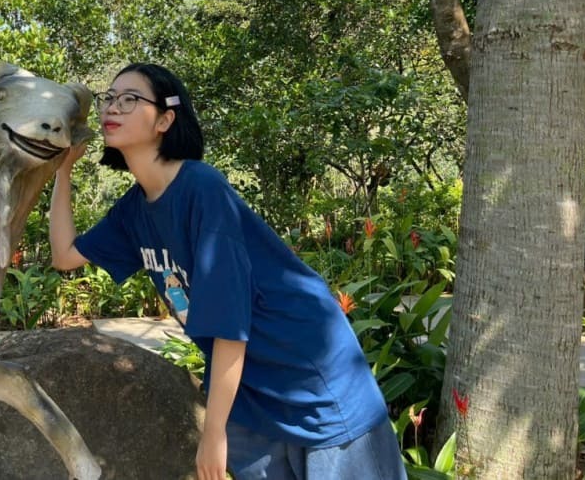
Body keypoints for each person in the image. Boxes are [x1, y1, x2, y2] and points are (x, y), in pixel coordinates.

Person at [49, 63, 406, 480]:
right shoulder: (134, 210)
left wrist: (213, 430)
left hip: (309, 378)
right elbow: (65, 256)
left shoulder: (202, 188)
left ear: (165, 119)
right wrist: (63, 170)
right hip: (250, 393)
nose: (112, 107)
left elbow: (230, 322)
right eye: (109, 98)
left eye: (130, 99)